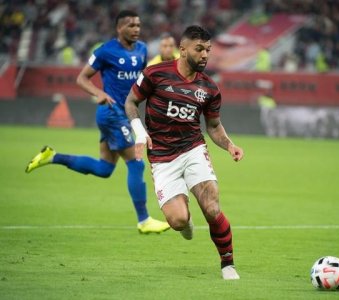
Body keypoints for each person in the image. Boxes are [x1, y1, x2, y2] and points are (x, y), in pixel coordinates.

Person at [25, 10, 170, 234]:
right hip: (112, 113)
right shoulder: (105, 51)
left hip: (125, 114)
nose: (136, 29)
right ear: (119, 28)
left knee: (104, 168)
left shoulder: (142, 50)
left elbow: (142, 79)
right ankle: (144, 220)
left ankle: (52, 156)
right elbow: (81, 78)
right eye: (131, 25)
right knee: (136, 163)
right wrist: (97, 92)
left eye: (138, 25)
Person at [125, 25, 244, 280]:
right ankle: (185, 219)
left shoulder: (209, 88)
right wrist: (140, 132)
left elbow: (213, 126)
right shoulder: (155, 74)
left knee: (211, 206)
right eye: (199, 49)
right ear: (183, 49)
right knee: (178, 221)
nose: (204, 55)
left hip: (192, 149)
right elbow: (131, 102)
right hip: (161, 157)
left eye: (208, 50)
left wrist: (229, 145)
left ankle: (228, 264)